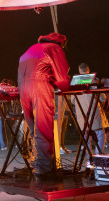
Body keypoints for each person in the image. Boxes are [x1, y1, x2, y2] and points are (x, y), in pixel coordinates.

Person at [17, 32, 71, 178]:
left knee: (33, 128)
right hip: (39, 85)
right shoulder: (54, 48)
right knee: (43, 126)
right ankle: (44, 171)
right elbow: (62, 76)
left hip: (23, 87)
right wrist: (67, 86)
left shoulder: (31, 48)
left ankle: (37, 164)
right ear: (61, 43)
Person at [73, 63, 108, 164]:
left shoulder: (75, 83)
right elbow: (102, 98)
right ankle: (98, 157)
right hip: (94, 112)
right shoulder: (94, 81)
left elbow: (72, 100)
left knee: (86, 135)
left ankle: (89, 159)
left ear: (79, 71)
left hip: (81, 113)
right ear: (88, 70)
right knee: (100, 133)